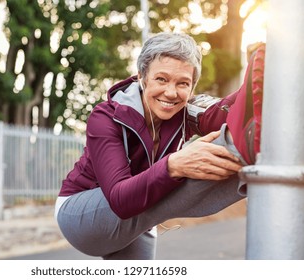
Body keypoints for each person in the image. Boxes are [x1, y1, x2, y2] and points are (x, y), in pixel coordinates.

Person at [55, 32, 265, 259]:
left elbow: (220, 115)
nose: (171, 92)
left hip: (140, 218)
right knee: (190, 166)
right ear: (142, 77)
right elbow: (120, 199)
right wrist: (173, 165)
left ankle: (257, 150)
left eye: (183, 83)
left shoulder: (184, 112)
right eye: (161, 79)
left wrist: (259, 76)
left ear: (192, 86)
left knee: (197, 159)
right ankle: (252, 152)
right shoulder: (107, 116)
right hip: (81, 215)